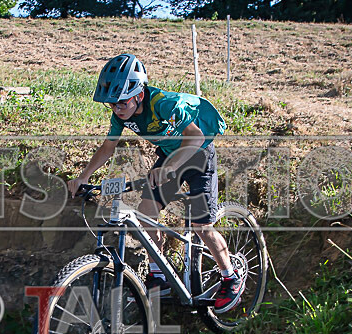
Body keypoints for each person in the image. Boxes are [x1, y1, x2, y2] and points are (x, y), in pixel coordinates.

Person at [67, 53, 244, 313]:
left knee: (201, 226)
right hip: (169, 155)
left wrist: (171, 168)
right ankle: (158, 277)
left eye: (122, 102)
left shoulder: (164, 104)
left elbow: (195, 138)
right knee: (147, 213)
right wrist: (84, 176)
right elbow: (108, 147)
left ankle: (231, 276)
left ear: (139, 94)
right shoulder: (121, 115)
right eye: (112, 104)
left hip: (198, 154)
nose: (117, 109)